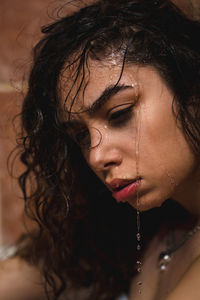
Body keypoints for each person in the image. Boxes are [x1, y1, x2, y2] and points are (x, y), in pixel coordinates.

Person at [1, 0, 200, 299]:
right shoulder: (149, 232)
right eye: (80, 135)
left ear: (193, 95)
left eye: (120, 114)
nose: (96, 156)